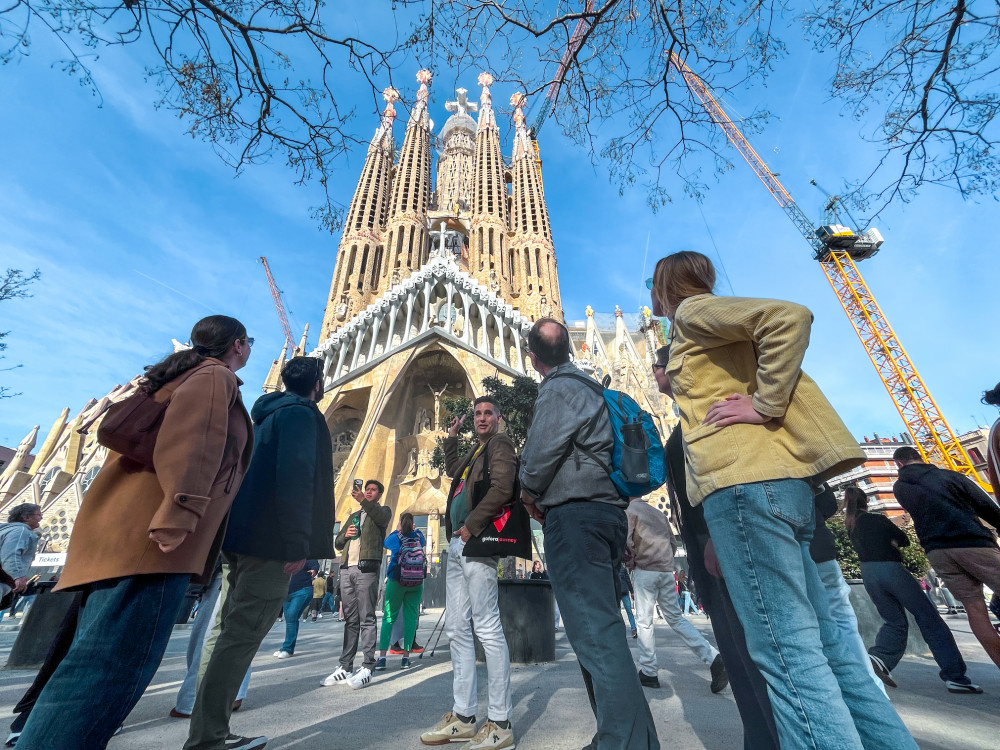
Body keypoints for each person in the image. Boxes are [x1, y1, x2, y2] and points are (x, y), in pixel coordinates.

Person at [651, 252, 916, 750]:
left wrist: (764, 403)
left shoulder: (690, 314)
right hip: (779, 486)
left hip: (744, 491)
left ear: (665, 287)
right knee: (833, 650)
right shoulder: (715, 335)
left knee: (787, 655)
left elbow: (788, 316)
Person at [16, 315, 255, 750]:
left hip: (121, 537)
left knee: (86, 667)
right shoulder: (214, 376)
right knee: (109, 670)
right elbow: (193, 442)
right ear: (237, 346)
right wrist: (181, 514)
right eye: (248, 342)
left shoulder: (175, 375)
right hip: (153, 544)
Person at [519, 318, 659, 750]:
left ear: (533, 357)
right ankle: (627, 738)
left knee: (596, 634)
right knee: (598, 632)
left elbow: (540, 454)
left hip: (576, 517)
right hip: (603, 514)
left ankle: (624, 743)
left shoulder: (560, 388)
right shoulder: (590, 387)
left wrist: (527, 489)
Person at [185, 355, 335, 750]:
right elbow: (297, 477)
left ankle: (206, 728)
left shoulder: (264, 416)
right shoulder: (301, 415)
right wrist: (297, 541)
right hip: (271, 543)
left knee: (225, 631)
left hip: (241, 539)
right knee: (241, 636)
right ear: (316, 384)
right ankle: (208, 738)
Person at [656, 344, 779, 750]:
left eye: (658, 366)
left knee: (757, 654)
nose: (654, 374)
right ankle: (760, 738)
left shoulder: (712, 412)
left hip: (723, 547)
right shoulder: (685, 423)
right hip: (704, 547)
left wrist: (714, 535)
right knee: (739, 654)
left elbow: (725, 476)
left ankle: (774, 738)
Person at [419, 396, 516, 750]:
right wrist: (451, 438)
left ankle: (500, 721)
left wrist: (472, 525)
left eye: (488, 412)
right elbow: (453, 472)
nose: (481, 418)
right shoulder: (477, 452)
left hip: (476, 542)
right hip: (460, 544)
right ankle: (463, 717)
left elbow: (503, 488)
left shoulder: (500, 445)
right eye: (477, 413)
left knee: (487, 627)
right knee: (458, 628)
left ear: (499, 418)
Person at [844, 485, 980, 694]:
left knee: (894, 621)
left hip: (868, 573)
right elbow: (904, 540)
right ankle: (955, 676)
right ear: (867, 501)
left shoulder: (851, 525)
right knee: (929, 618)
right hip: (890, 568)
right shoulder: (876, 519)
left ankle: (880, 657)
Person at [891, 443, 1000, 671]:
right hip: (972, 541)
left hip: (937, 551)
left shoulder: (900, 488)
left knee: (975, 610)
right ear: (919, 457)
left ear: (899, 464)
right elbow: (983, 504)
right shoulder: (947, 476)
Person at [626, 494, 727, 692]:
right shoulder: (657, 513)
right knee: (676, 618)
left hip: (645, 571)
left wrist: (630, 563)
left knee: (644, 622)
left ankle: (649, 671)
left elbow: (627, 544)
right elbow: (672, 543)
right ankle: (713, 657)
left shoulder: (630, 513)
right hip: (665, 571)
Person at [810, 485, 885, 696]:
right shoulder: (801, 457)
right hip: (818, 543)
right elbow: (828, 503)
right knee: (842, 618)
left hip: (784, 549)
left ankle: (832, 691)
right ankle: (871, 690)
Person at [322, 479, 392, 690]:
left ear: (379, 495)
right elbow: (338, 543)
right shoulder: (354, 516)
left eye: (373, 490)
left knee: (367, 618)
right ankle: (345, 666)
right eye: (366, 490)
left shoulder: (382, 512)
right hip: (346, 569)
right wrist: (346, 534)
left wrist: (363, 501)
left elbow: (380, 518)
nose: (368, 492)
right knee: (350, 619)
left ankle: (368, 666)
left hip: (366, 569)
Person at [172, 561, 252, 718]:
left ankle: (194, 699)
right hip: (236, 565)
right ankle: (231, 694)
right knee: (234, 631)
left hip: (227, 565)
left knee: (210, 633)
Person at [376, 512, 426, 671]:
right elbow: (423, 543)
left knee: (389, 617)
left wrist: (397, 530)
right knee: (411, 618)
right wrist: (415, 530)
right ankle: (406, 659)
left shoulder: (395, 537)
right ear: (413, 523)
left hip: (396, 580)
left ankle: (382, 658)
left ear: (400, 522)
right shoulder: (419, 536)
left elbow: (385, 543)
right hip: (416, 582)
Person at [273, 560, 320, 659]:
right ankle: (285, 648)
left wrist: (314, 570)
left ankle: (287, 649)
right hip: (286, 593)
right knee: (290, 620)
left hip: (302, 590)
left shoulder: (303, 555)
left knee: (291, 618)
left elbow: (314, 563)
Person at [0, 504, 42, 607]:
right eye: (39, 515)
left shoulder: (7, 530)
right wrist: (18, 576)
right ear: (26, 517)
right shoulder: (20, 531)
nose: (41, 518)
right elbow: (10, 555)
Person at [618, 564, 638, 638]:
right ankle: (633, 629)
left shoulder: (619, 569)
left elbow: (628, 581)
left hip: (621, 592)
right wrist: (631, 591)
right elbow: (628, 581)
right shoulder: (622, 569)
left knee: (625, 611)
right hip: (622, 592)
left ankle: (633, 629)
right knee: (628, 612)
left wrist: (632, 591)